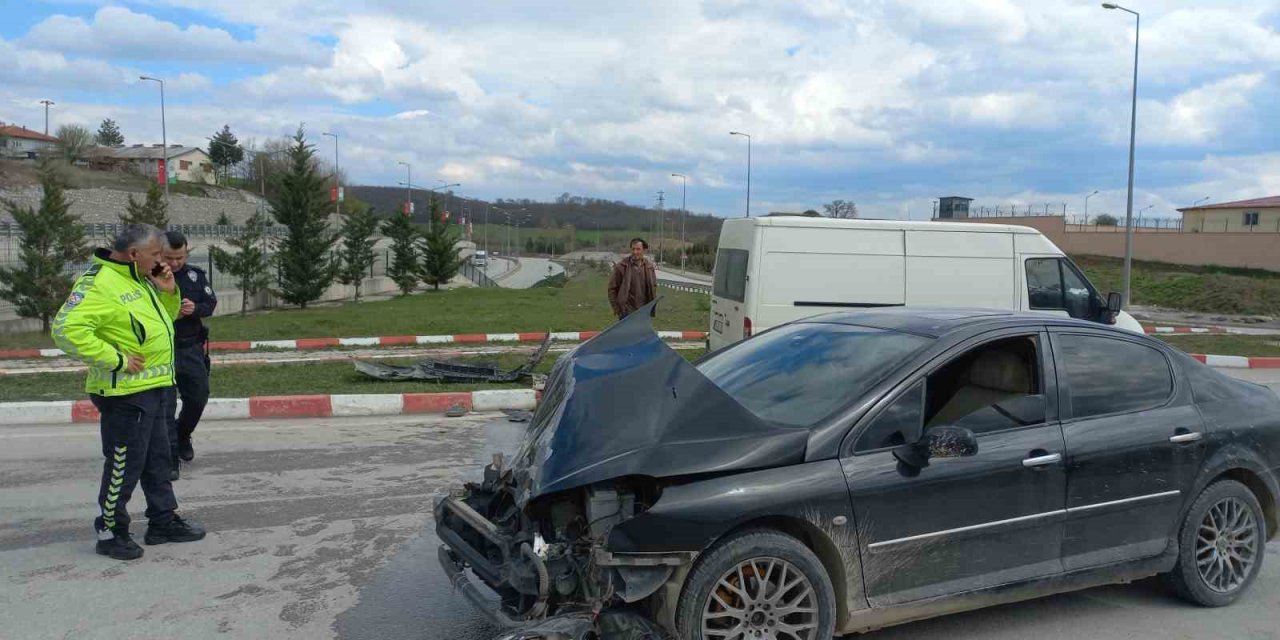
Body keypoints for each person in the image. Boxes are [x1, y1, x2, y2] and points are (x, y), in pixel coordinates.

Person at [50, 225, 207, 561]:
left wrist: (168, 292)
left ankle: (162, 521)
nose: (161, 262)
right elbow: (65, 330)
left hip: (155, 386)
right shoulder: (99, 283)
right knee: (125, 464)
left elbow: (157, 326)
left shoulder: (138, 279)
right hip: (125, 394)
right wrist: (116, 359)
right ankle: (110, 531)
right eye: (155, 255)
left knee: (158, 460)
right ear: (134, 254)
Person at [161, 231, 216, 481]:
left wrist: (195, 309)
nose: (174, 263)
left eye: (179, 257)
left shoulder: (195, 275)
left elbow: (210, 304)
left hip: (191, 348)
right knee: (166, 405)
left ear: (186, 253)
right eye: (169, 258)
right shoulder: (151, 278)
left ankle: (183, 435)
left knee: (198, 398)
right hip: (163, 350)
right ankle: (170, 458)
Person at [608, 237, 657, 319]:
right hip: (626, 313)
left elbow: (653, 287)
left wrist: (650, 308)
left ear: (644, 250)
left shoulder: (649, 268)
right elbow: (612, 289)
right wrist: (617, 310)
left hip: (644, 312)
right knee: (627, 332)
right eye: (633, 249)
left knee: (642, 332)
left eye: (638, 249)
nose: (635, 252)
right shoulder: (621, 267)